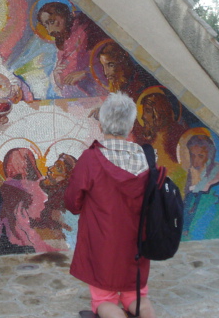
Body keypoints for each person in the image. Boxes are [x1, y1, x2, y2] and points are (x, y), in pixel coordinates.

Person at [65, 92, 156, 318]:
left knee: (104, 301)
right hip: (137, 244)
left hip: (102, 244)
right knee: (137, 298)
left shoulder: (91, 158)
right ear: (131, 123)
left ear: (102, 122)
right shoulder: (146, 156)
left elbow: (73, 202)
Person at [37, 2, 107, 98]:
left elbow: (110, 63)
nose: (50, 31)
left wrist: (86, 73)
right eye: (46, 26)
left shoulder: (88, 31)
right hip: (82, 99)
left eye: (51, 22)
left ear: (64, 15)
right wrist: (56, 76)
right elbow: (61, 83)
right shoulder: (63, 46)